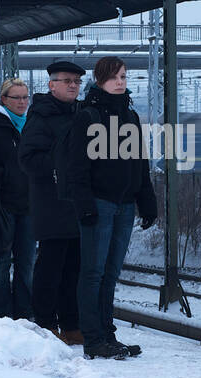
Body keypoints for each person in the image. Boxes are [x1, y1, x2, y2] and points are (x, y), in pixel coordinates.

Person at [65, 56, 158, 359]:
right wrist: (85, 205)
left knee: (111, 273)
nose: (120, 82)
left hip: (125, 205)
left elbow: (139, 163)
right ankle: (93, 340)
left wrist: (147, 200)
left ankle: (108, 334)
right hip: (100, 205)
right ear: (101, 79)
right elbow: (76, 168)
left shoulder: (129, 116)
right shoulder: (87, 116)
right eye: (114, 77)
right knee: (93, 272)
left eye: (123, 77)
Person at [18, 60, 86, 344]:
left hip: (77, 204)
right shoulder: (41, 116)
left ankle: (71, 324)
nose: (73, 86)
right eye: (67, 81)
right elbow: (28, 159)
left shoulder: (82, 114)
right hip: (51, 203)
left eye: (76, 82)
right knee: (50, 267)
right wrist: (62, 165)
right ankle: (45, 323)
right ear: (52, 84)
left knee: (74, 268)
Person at [0, 78, 35, 322]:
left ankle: (25, 316)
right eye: (17, 97)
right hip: (0, 207)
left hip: (28, 206)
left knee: (27, 265)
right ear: (4, 99)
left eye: (26, 97)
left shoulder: (30, 126)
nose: (23, 102)